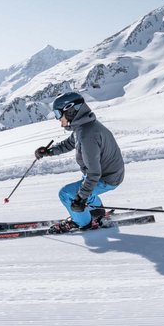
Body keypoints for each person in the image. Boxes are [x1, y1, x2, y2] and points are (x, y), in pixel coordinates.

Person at [34, 92, 125, 233]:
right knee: (84, 186)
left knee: (66, 193)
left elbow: (94, 173)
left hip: (107, 178)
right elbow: (69, 143)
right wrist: (49, 151)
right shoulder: (83, 128)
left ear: (70, 110)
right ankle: (96, 212)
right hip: (107, 174)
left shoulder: (88, 135)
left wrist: (80, 199)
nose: (58, 119)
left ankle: (82, 222)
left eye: (58, 114)